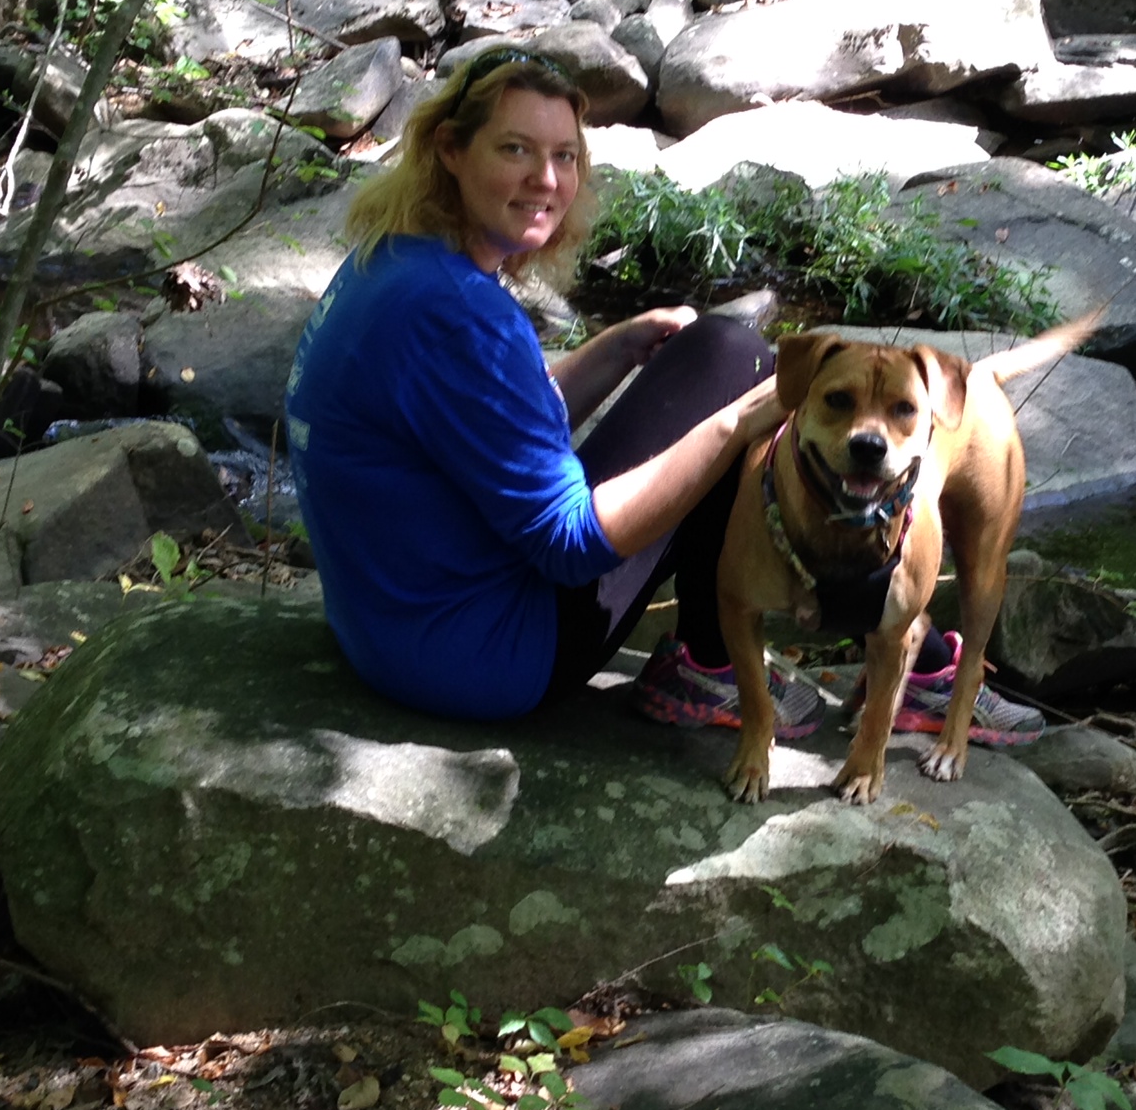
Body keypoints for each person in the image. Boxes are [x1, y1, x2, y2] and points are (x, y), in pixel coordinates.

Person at [283, 44, 1042, 744]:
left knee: (717, 356)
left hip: (387, 629)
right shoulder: (460, 315)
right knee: (735, 359)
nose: (546, 180)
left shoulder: (389, 264)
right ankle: (711, 664)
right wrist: (737, 422)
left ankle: (852, 641)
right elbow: (570, 546)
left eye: (564, 156)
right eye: (514, 149)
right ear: (451, 149)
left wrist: (608, 355)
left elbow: (482, 424)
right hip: (488, 658)